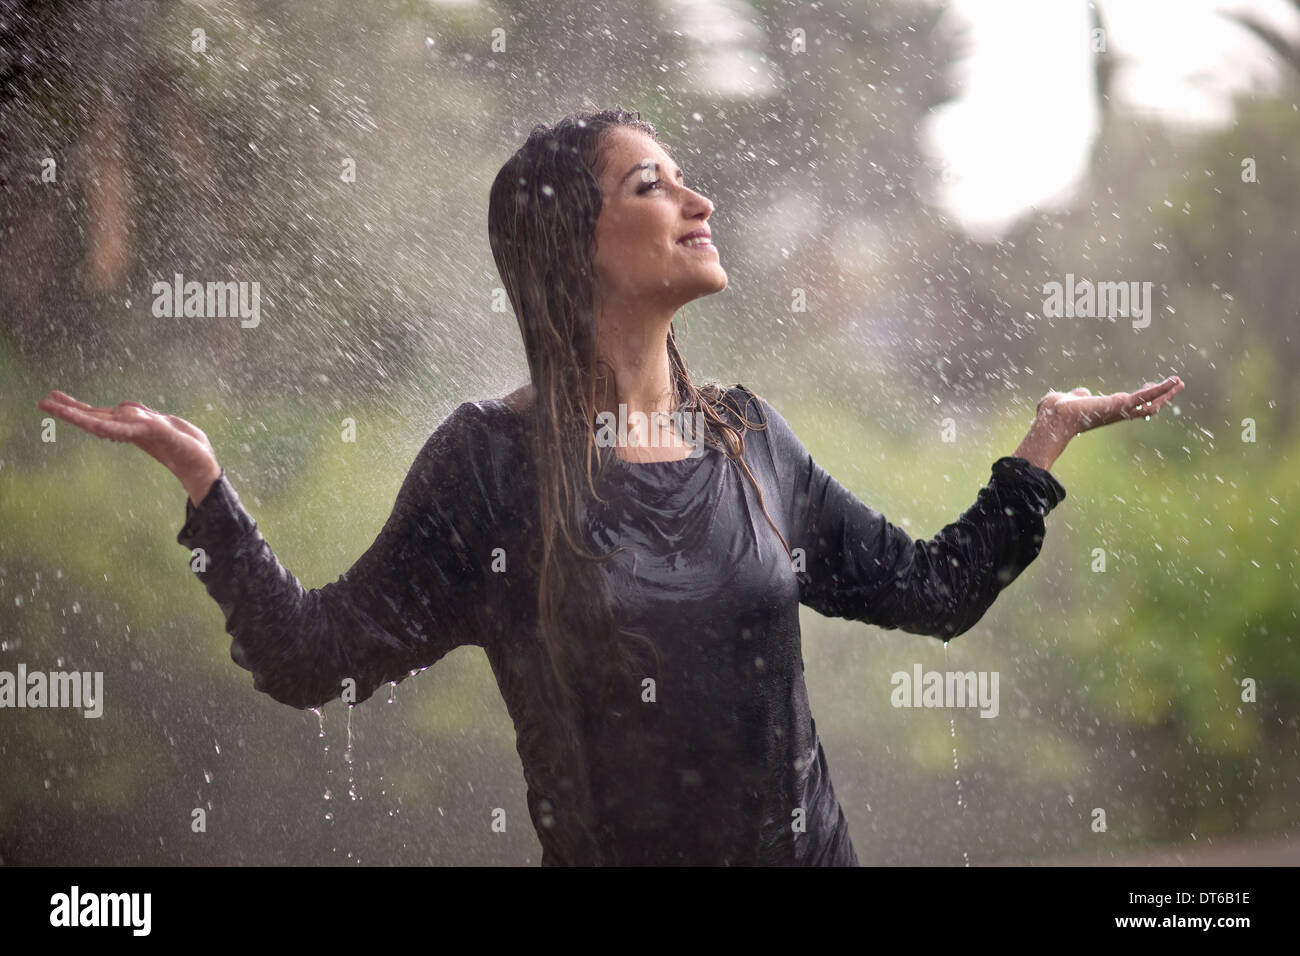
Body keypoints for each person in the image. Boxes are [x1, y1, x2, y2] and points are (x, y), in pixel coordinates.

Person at [36, 107, 1185, 866]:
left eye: (685, 180)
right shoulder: (488, 466)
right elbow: (309, 657)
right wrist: (208, 494)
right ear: (569, 239)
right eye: (653, 185)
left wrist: (1036, 452)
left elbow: (933, 591)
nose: (699, 203)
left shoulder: (751, 441)